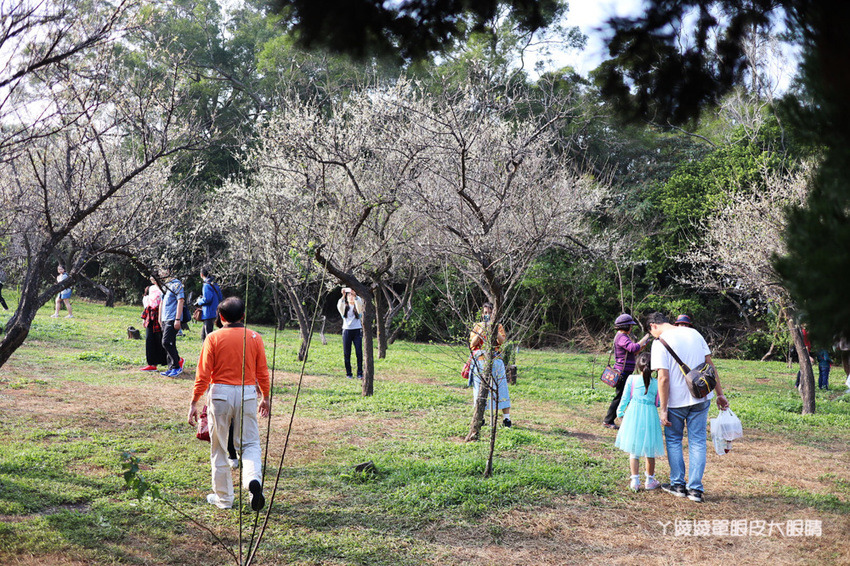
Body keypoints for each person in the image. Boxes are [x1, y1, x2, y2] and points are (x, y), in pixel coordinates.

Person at [187, 296, 270, 511]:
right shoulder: (255, 337)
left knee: (220, 447)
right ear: (243, 316)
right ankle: (253, 481)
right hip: (248, 394)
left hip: (220, 394)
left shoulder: (213, 338)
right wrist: (266, 398)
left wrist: (194, 402)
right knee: (250, 443)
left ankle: (224, 499)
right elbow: (262, 372)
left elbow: (203, 374)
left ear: (221, 317)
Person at [647, 312, 729, 503]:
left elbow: (663, 378)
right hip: (701, 397)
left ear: (653, 326)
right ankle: (695, 490)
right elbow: (711, 366)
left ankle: (677, 485)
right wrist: (720, 394)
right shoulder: (695, 333)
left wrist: (663, 408)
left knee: (675, 440)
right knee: (698, 442)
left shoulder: (659, 342)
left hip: (676, 402)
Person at [614, 351, 664, 492]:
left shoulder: (631, 379)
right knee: (650, 449)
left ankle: (635, 481)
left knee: (634, 450)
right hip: (650, 416)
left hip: (633, 415)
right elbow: (658, 402)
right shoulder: (656, 383)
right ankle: (649, 480)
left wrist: (620, 413)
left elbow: (624, 398)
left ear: (638, 365)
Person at [603, 314, 650, 430]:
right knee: (620, 397)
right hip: (623, 373)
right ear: (626, 326)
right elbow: (633, 348)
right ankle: (608, 420)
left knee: (623, 396)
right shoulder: (622, 337)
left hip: (624, 372)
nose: (631, 328)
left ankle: (616, 419)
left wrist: (643, 345)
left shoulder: (622, 337)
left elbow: (633, 352)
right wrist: (644, 338)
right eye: (630, 326)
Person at [469, 302, 512, 427]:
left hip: (496, 359)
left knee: (502, 387)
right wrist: (482, 329)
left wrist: (492, 328)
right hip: (480, 360)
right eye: (485, 313)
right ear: (482, 314)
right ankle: (480, 417)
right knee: (479, 390)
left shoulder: (498, 326)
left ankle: (506, 419)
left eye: (490, 312)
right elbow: (473, 342)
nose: (487, 315)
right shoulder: (477, 326)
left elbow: (502, 341)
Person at [158, 268, 185, 377]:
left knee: (166, 342)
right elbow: (162, 302)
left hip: (172, 317)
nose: (160, 274)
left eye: (162, 271)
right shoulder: (165, 285)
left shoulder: (176, 284)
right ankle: (172, 367)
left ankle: (177, 365)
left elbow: (180, 300)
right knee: (170, 343)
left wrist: (177, 319)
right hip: (165, 317)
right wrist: (160, 318)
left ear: (168, 271)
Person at [139, 279, 168, 371]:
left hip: (161, 315)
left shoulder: (164, 288)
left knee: (161, 340)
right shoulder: (151, 288)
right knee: (149, 339)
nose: (151, 278)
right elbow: (149, 303)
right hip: (150, 315)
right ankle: (152, 364)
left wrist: (161, 318)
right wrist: (145, 318)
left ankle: (173, 360)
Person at [337, 287, 364, 379]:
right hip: (346, 331)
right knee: (347, 353)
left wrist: (355, 295)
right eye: (349, 295)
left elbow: (360, 304)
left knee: (359, 352)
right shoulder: (345, 307)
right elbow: (339, 306)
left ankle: (360, 373)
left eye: (352, 295)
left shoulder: (358, 307)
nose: (351, 297)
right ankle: (349, 373)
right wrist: (343, 296)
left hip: (357, 330)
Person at [195, 266, 222, 342]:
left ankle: (209, 352)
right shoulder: (215, 284)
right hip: (214, 311)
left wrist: (199, 301)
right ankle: (205, 352)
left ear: (201, 274)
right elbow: (220, 297)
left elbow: (207, 299)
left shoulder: (206, 285)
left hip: (208, 312)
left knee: (207, 336)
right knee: (204, 335)